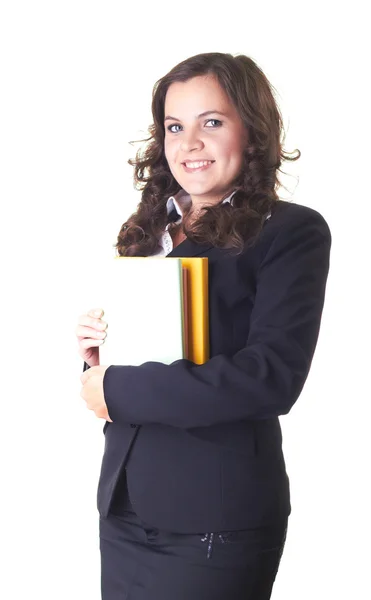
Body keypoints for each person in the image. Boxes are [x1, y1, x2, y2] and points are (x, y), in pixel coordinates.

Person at [76, 52, 331, 599]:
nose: (188, 142)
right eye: (174, 126)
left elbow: (270, 376)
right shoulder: (150, 232)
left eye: (210, 122)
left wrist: (117, 389)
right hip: (126, 504)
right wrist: (101, 354)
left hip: (214, 520)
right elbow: (158, 354)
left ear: (253, 130)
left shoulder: (290, 232)